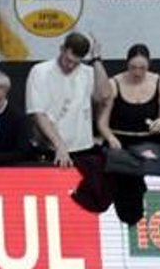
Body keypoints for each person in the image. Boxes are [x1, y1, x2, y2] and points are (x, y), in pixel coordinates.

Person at [26, 33, 114, 210]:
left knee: (100, 194)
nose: (70, 65)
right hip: (51, 149)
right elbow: (38, 113)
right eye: (67, 60)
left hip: (83, 149)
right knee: (53, 201)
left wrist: (96, 61)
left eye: (76, 62)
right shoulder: (40, 71)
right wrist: (59, 145)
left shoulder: (87, 73)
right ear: (61, 49)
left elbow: (104, 96)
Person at [94, 45, 160, 224]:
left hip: (149, 141)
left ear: (149, 65)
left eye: (142, 68)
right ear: (127, 65)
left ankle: (146, 210)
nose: (138, 72)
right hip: (121, 141)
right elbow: (102, 123)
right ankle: (125, 213)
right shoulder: (114, 84)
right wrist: (110, 138)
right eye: (133, 68)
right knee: (123, 175)